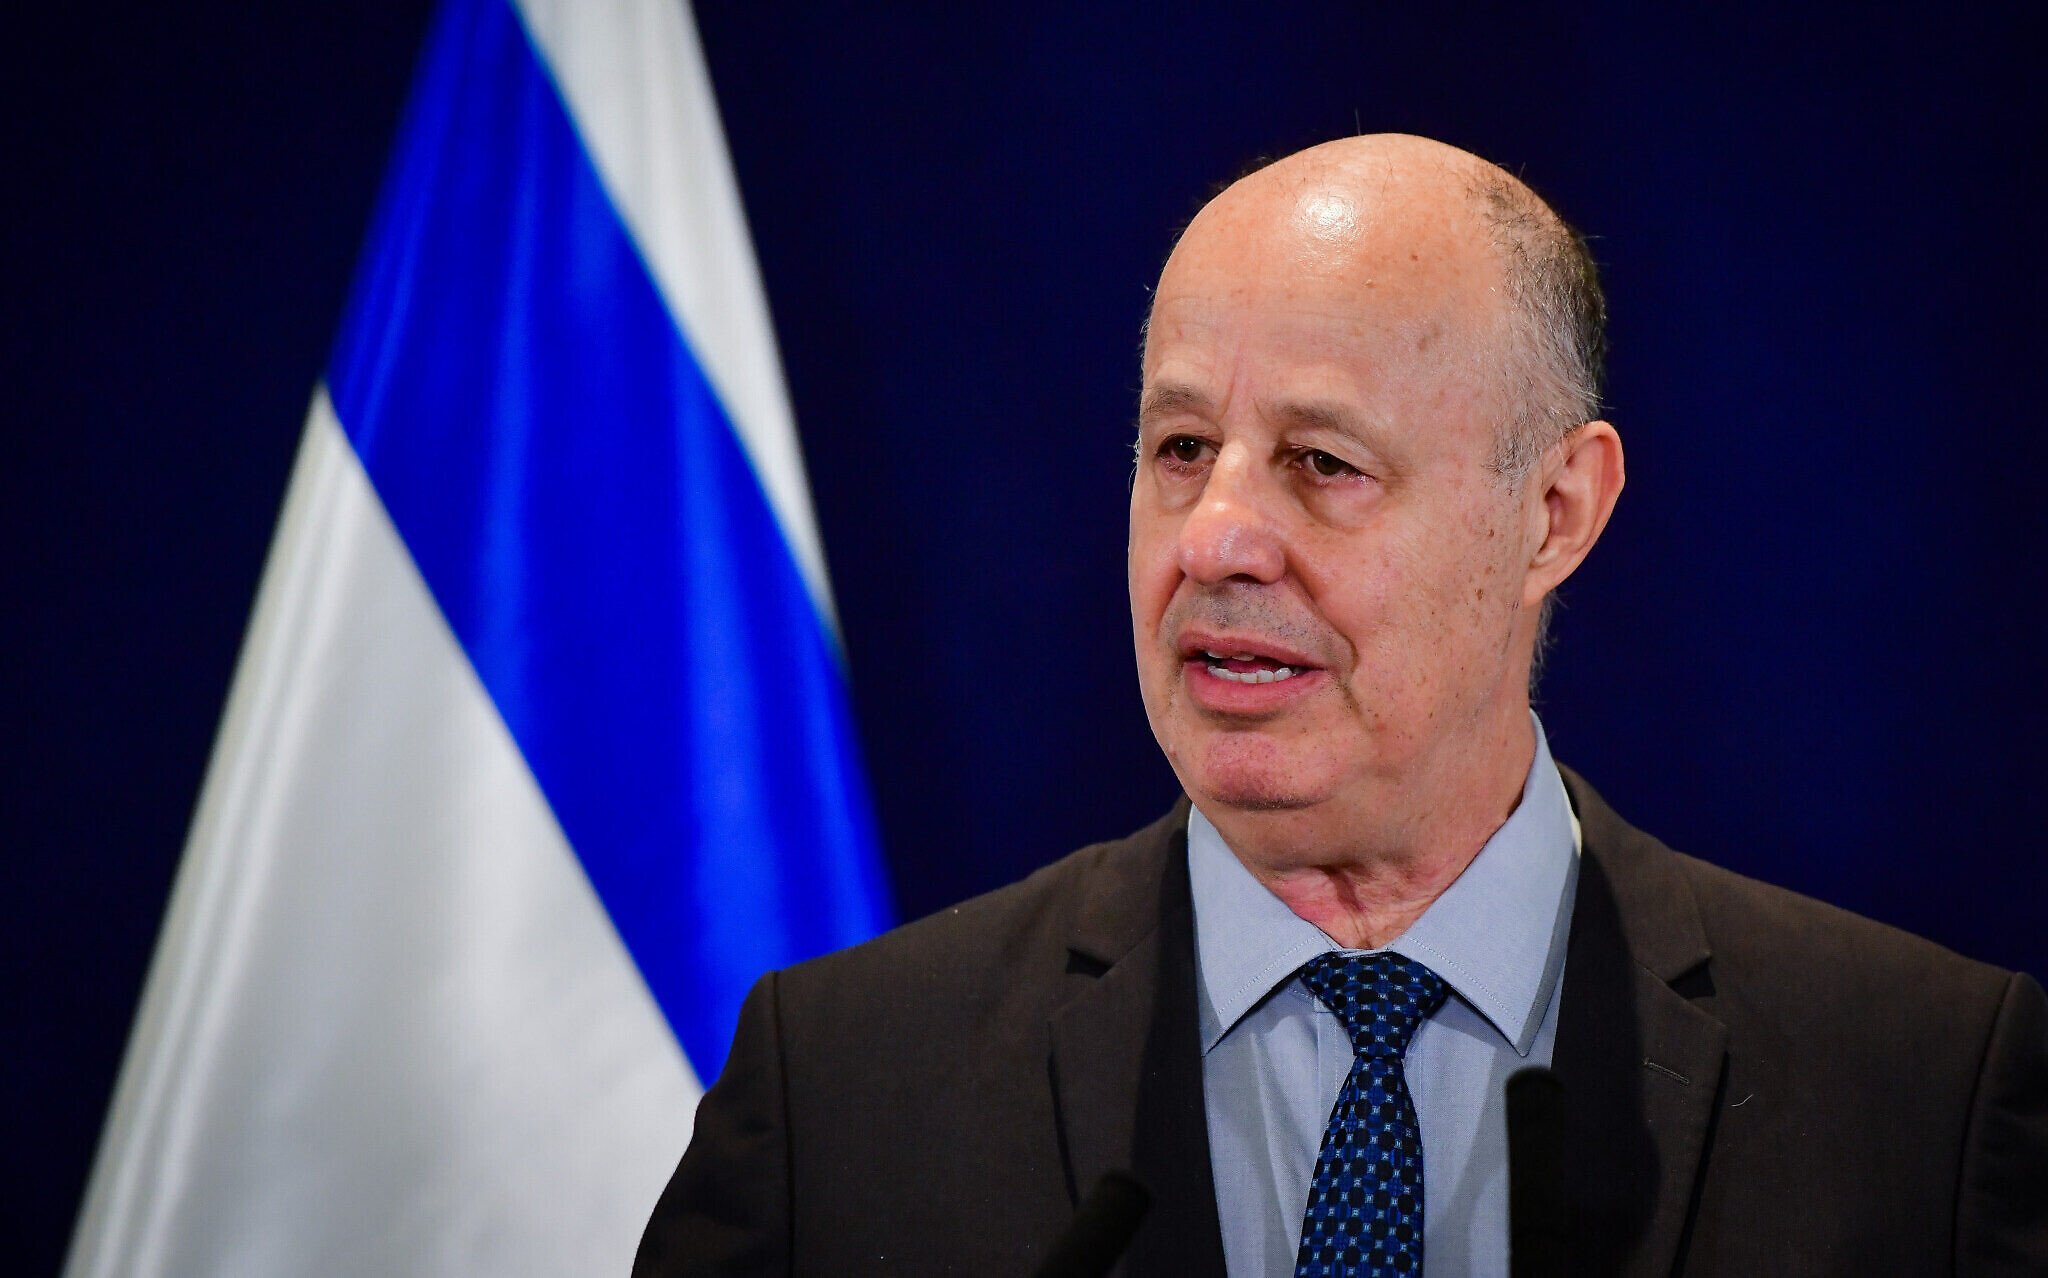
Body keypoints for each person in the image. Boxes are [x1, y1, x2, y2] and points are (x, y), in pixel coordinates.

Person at [634, 135, 2047, 1276]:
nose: (1216, 537)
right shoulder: (841, 1092)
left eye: (1321, 461)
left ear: (1556, 510)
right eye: (1181, 448)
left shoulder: (1921, 1096)